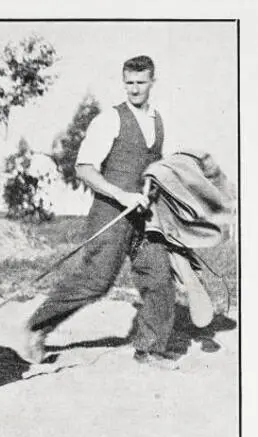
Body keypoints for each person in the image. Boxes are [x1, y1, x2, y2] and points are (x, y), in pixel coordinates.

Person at [22, 55, 179, 370]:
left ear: (152, 82)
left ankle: (149, 350)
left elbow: (157, 169)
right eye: (129, 83)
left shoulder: (158, 121)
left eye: (141, 82)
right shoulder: (110, 119)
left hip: (145, 218)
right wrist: (121, 195)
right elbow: (84, 169)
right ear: (124, 83)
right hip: (111, 214)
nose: (134, 89)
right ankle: (37, 327)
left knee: (160, 279)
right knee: (96, 282)